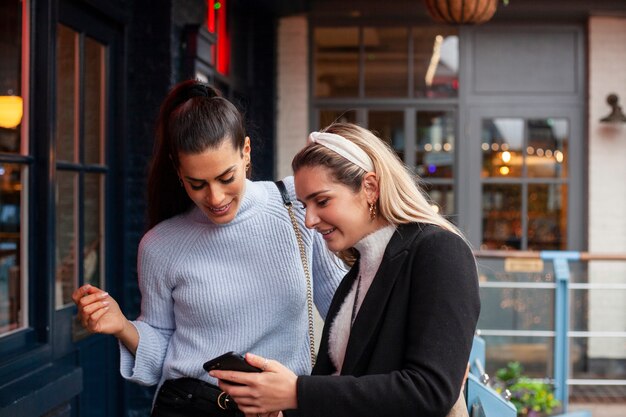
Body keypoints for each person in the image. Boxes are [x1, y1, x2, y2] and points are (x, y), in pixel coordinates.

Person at [72, 80, 344, 417]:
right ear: (178, 170)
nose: (214, 198)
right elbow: (161, 351)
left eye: (226, 177)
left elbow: (345, 309)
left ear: (246, 152)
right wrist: (122, 326)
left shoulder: (296, 205)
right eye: (197, 184)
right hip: (190, 406)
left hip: (279, 408)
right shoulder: (160, 244)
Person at [210, 122, 481, 417]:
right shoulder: (358, 274)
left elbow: (431, 391)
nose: (310, 220)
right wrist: (281, 407)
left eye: (322, 201)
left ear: (370, 187)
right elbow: (340, 385)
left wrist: (296, 392)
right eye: (304, 206)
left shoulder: (438, 250)